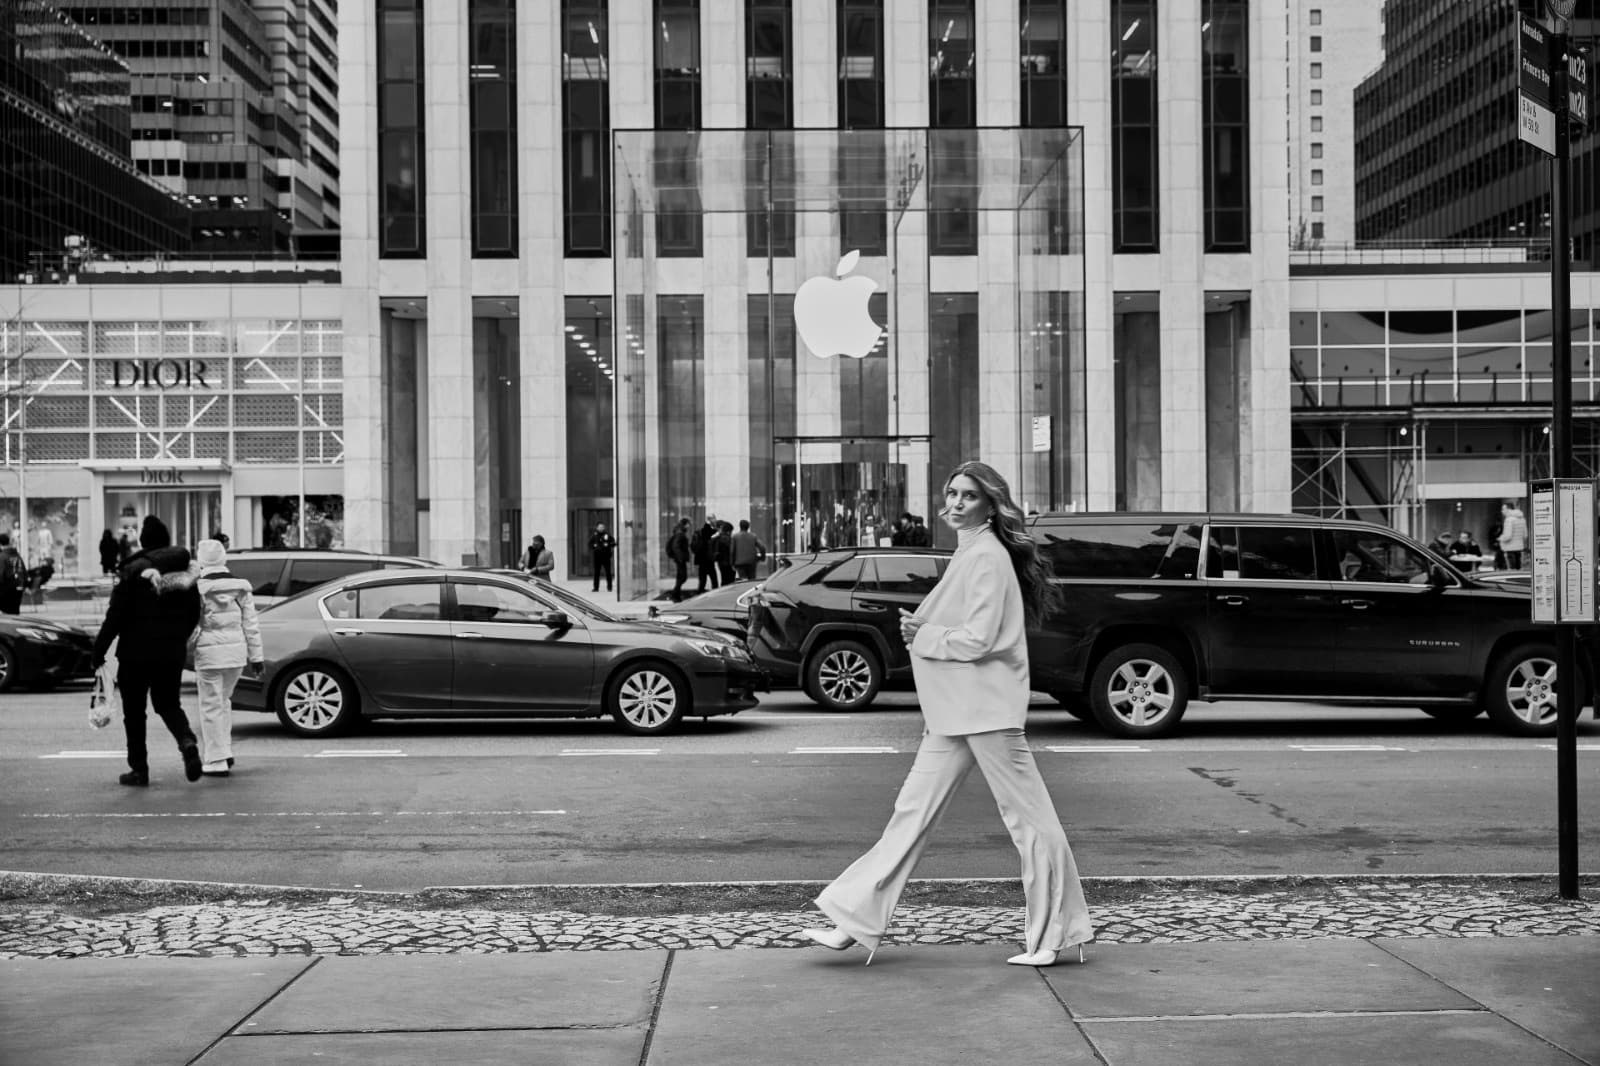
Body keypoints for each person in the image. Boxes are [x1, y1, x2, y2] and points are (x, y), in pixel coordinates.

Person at [801, 461, 1092, 968]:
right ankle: (855, 919)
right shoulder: (972, 553)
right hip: (956, 713)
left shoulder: (986, 556)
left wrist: (923, 634)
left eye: (969, 496)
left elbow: (983, 638)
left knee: (1029, 822)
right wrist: (927, 627)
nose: (956, 503)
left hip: (985, 711)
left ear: (990, 504)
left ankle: (1056, 934)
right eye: (952, 493)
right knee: (909, 816)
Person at [90, 516, 203, 788]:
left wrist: (99, 650)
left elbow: (115, 616)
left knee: (135, 712)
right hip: (171, 652)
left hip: (135, 653)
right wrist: (178, 639)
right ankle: (187, 741)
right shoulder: (186, 572)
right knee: (168, 704)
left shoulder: (132, 571)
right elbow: (194, 613)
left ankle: (139, 770)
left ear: (144, 541)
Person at [188, 539, 264, 777]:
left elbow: (191, 624)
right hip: (236, 654)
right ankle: (225, 751)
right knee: (224, 702)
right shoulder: (241, 588)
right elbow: (251, 625)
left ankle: (216, 759)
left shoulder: (198, 589)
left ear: (201, 561)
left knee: (210, 706)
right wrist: (257, 657)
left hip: (208, 654)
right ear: (224, 559)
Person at [667, 518, 692, 602]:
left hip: (679, 559)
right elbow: (676, 546)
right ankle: (675, 594)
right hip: (680, 559)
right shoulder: (680, 533)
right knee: (682, 577)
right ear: (685, 524)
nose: (689, 526)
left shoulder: (679, 532)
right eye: (688, 524)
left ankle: (676, 594)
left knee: (680, 577)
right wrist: (681, 558)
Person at [693, 516, 720, 592]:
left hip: (702, 560)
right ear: (709, 520)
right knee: (714, 581)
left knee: (702, 581)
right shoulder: (712, 531)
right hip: (708, 560)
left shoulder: (698, 532)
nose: (715, 520)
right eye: (714, 518)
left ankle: (699, 595)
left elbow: (694, 546)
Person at [1498, 500, 1527, 570]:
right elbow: (1525, 535)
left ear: (1508, 509)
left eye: (1503, 509)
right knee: (1518, 569)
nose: (1502, 511)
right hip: (1519, 547)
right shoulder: (1522, 519)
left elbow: (1507, 536)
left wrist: (1500, 538)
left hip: (1510, 548)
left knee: (1511, 569)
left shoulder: (1509, 520)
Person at [589, 522, 618, 593]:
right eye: (600, 527)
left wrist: (609, 545)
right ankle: (596, 588)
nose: (601, 528)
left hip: (606, 557)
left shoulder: (607, 535)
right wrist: (595, 547)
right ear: (597, 528)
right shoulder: (594, 535)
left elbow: (614, 543)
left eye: (602, 527)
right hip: (597, 557)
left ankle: (609, 587)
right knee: (596, 573)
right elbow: (590, 544)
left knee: (608, 572)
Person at [0, 532, 24, 615]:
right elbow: (23, 571)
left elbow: (1, 575)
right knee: (14, 613)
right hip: (18, 588)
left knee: (7, 614)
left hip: (6, 590)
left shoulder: (2, 557)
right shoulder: (16, 555)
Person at [714, 520, 736, 586]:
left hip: (721, 563)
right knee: (730, 581)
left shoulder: (718, 538)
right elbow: (732, 551)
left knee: (724, 580)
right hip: (728, 563)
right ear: (729, 531)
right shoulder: (728, 539)